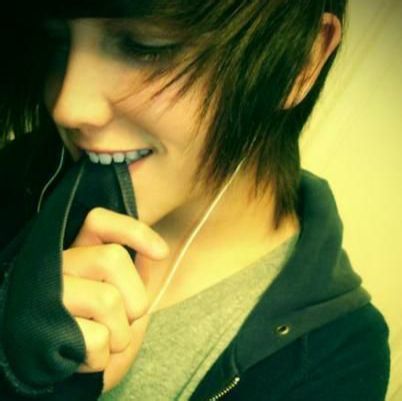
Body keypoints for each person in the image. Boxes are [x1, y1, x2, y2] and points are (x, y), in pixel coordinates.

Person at [0, 1, 390, 400]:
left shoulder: (336, 361)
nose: (67, 107)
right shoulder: (19, 177)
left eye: (144, 46)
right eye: (59, 42)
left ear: (299, 62)